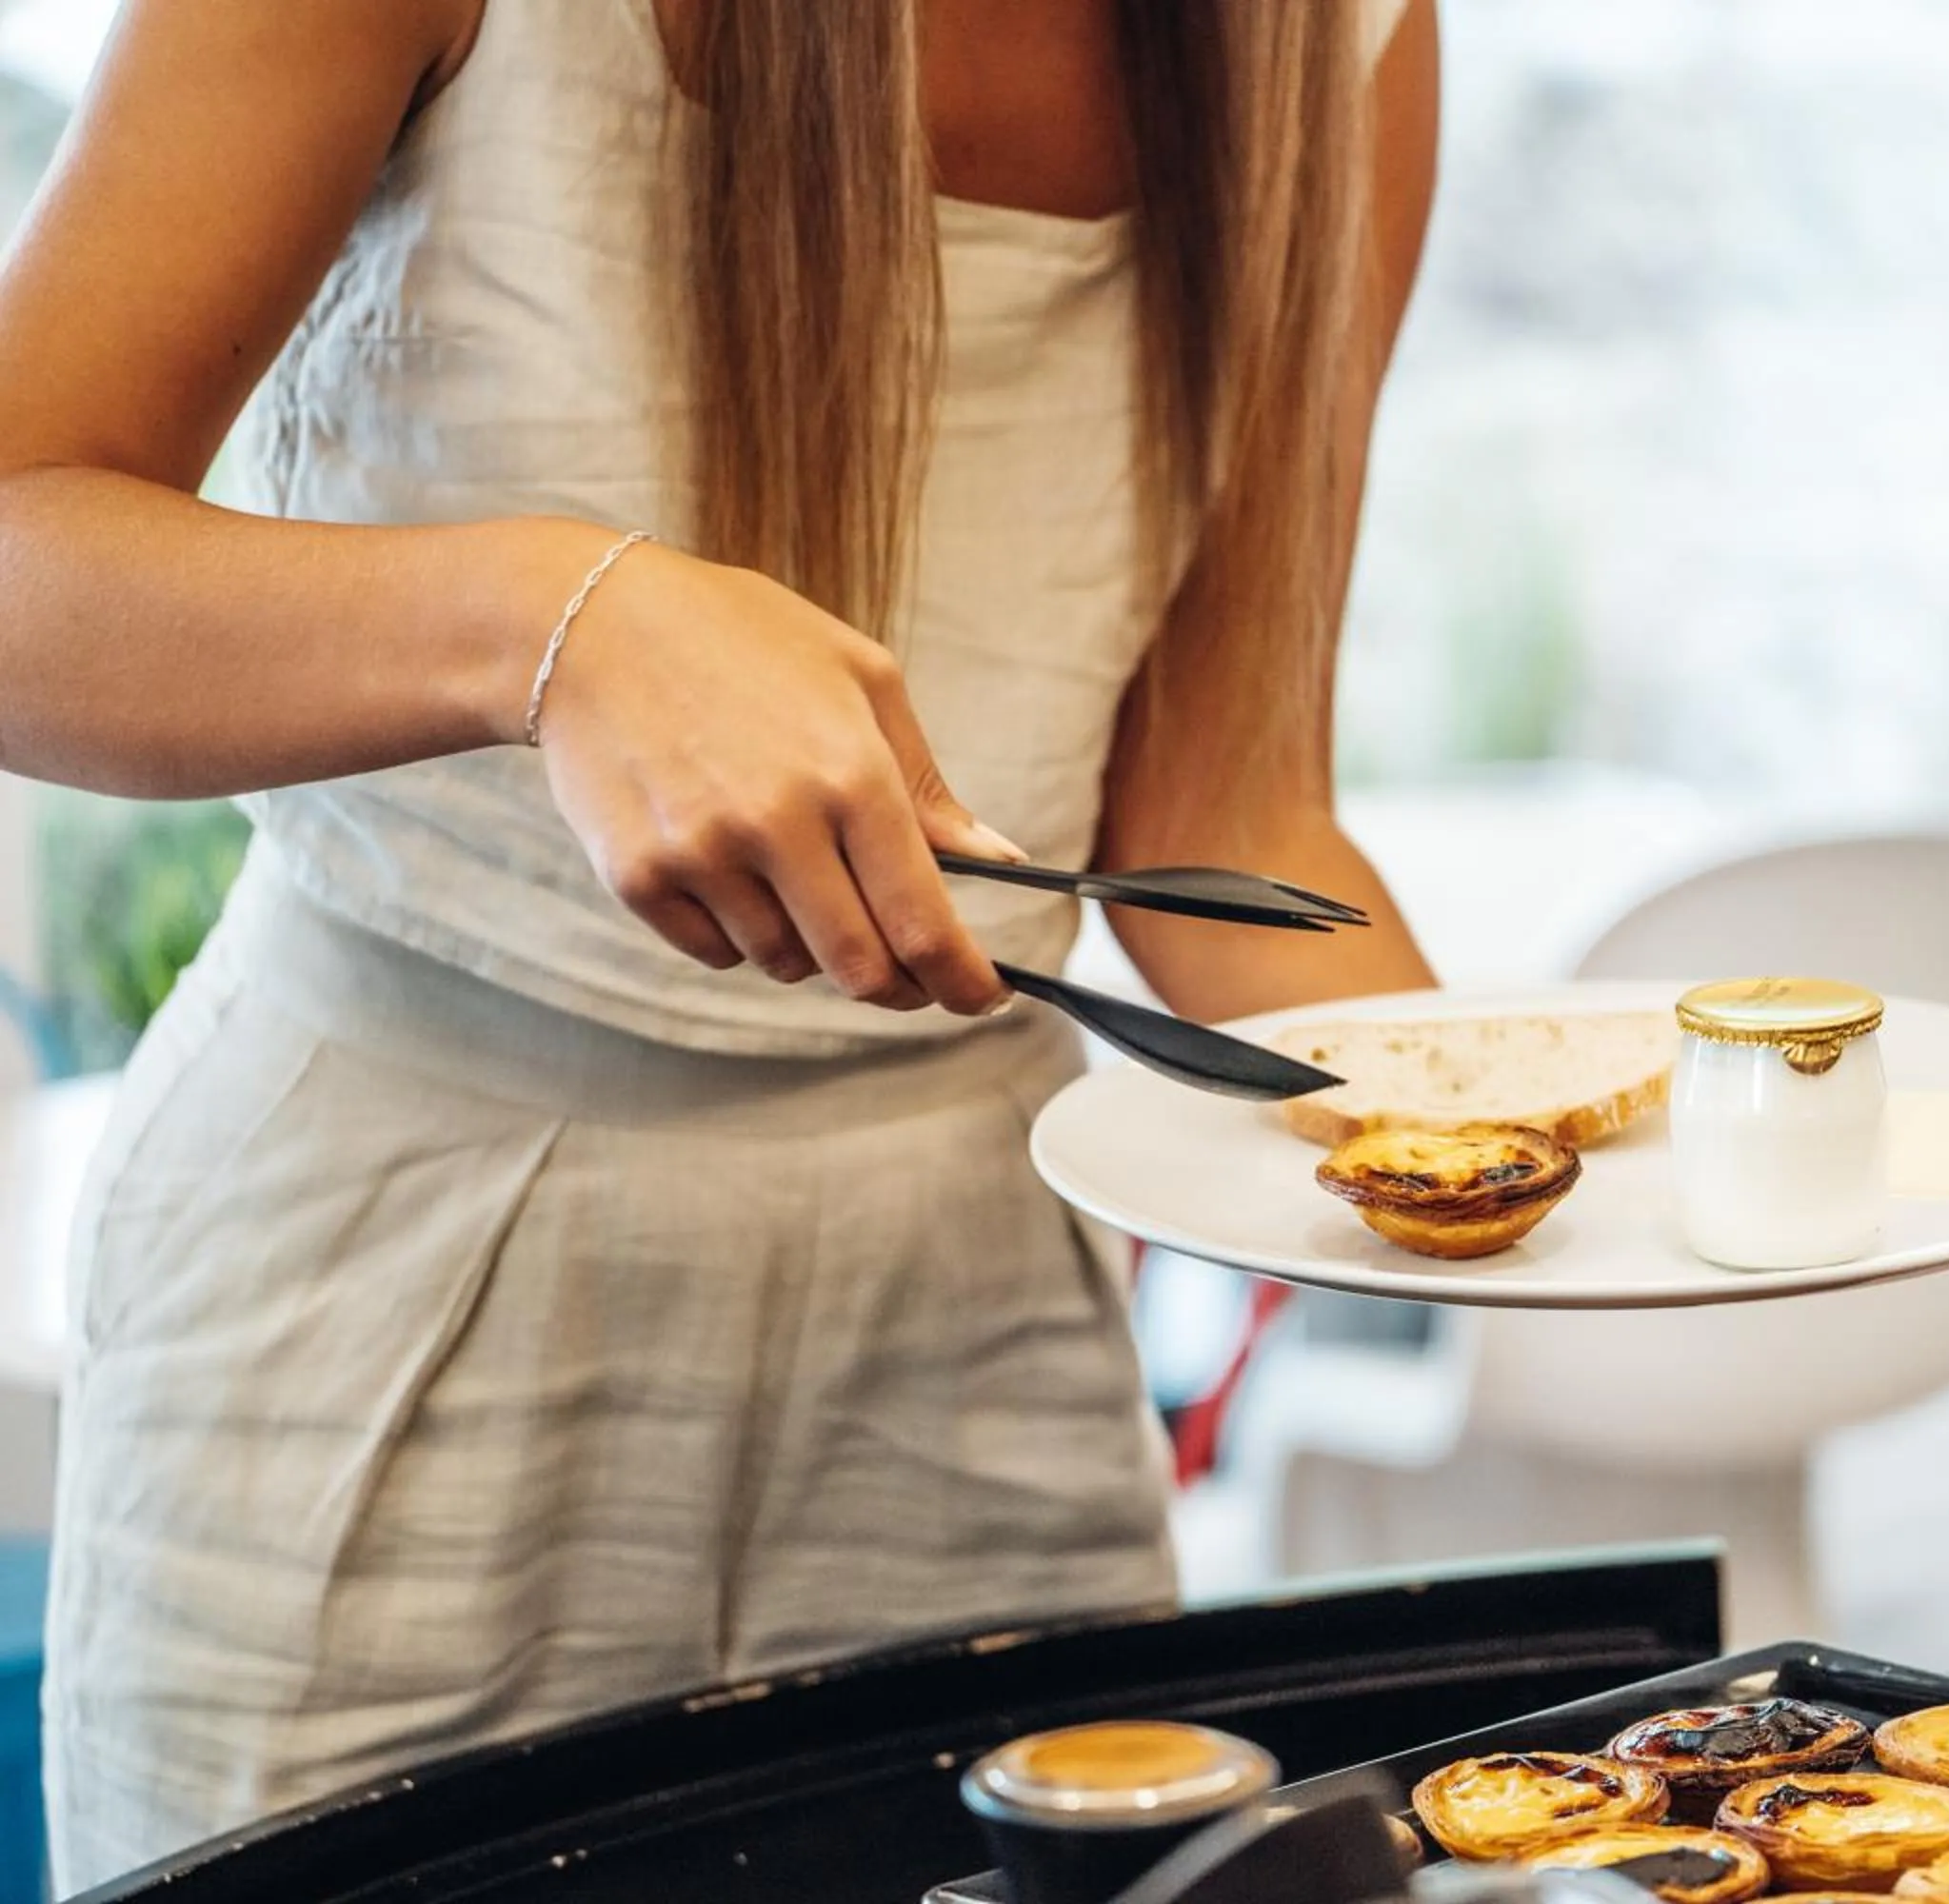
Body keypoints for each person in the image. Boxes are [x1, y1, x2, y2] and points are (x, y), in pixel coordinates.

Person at [0, 0, 1441, 1884]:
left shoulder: (1340, 47)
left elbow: (1217, 810)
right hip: (374, 1308)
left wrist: (1539, 1143)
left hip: (980, 1321)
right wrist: (551, 618)